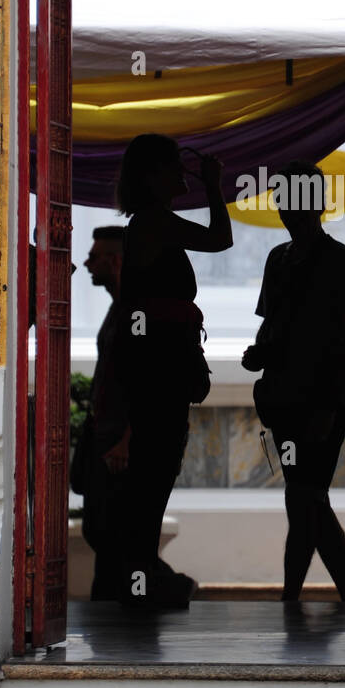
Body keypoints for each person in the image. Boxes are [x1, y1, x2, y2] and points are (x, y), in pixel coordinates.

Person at [105, 134, 232, 609]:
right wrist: (215, 187)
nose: (183, 178)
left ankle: (142, 570)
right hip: (158, 369)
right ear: (153, 176)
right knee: (154, 470)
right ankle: (140, 572)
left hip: (156, 365)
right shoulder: (154, 223)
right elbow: (221, 238)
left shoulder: (148, 224)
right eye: (175, 169)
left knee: (155, 470)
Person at [242, 160, 345, 603]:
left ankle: (300, 594)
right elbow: (270, 326)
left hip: (317, 402)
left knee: (304, 496)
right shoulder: (282, 259)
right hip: (284, 399)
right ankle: (325, 595)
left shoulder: (340, 262)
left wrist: (330, 406)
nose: (282, 209)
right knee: (306, 497)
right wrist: (259, 355)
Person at [69, 226, 127, 601]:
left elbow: (147, 381)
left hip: (119, 442)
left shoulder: (136, 312)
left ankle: (160, 586)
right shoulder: (117, 309)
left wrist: (127, 438)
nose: (86, 263)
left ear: (116, 261)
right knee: (99, 529)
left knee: (113, 534)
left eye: (95, 256)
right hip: (103, 434)